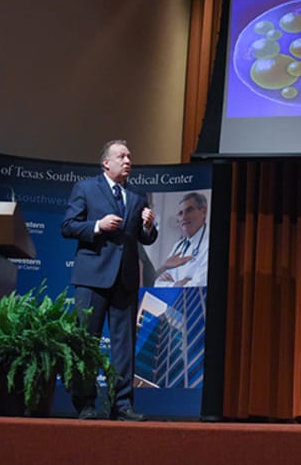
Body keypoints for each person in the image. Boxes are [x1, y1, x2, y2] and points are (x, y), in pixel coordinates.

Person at [61, 139, 157, 421]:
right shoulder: (86, 189)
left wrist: (148, 226)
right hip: (92, 278)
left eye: (129, 157)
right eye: (122, 156)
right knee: (87, 342)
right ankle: (86, 404)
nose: (128, 161)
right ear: (106, 163)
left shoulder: (137, 197)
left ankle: (123, 405)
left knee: (124, 346)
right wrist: (97, 226)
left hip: (125, 280)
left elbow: (146, 238)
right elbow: (68, 226)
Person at [153, 192, 209, 287]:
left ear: (203, 212)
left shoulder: (209, 243)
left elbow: (199, 284)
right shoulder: (178, 246)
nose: (183, 217)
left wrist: (171, 284)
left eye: (189, 210)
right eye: (180, 213)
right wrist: (176, 285)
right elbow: (157, 284)